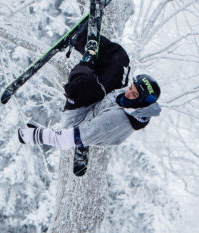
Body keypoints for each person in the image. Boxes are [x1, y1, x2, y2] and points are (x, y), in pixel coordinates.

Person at [17, 34, 161, 173]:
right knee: (119, 59)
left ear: (140, 102)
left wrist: (34, 135)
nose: (128, 92)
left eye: (134, 94)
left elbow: (64, 140)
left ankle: (88, 56)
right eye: (131, 88)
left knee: (84, 85)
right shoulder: (133, 102)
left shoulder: (114, 121)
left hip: (79, 119)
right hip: (101, 104)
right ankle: (80, 36)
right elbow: (122, 85)